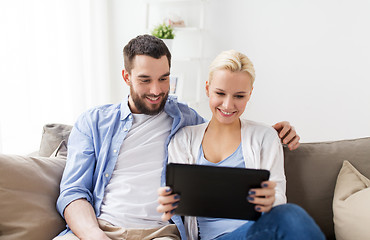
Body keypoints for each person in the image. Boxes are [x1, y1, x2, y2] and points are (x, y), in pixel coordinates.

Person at [54, 35, 300, 240]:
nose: (156, 90)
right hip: (99, 228)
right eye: (145, 80)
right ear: (126, 76)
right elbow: (73, 192)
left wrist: (274, 133)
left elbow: (225, 125)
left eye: (164, 78)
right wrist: (94, 235)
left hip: (160, 233)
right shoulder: (94, 122)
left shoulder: (185, 121)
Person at [157, 50, 325, 240]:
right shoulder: (183, 140)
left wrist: (269, 202)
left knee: (289, 214)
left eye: (239, 96)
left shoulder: (265, 137)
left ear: (250, 94)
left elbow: (278, 197)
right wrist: (169, 204)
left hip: (257, 234)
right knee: (291, 215)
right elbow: (176, 204)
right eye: (220, 93)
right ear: (207, 89)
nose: (228, 105)